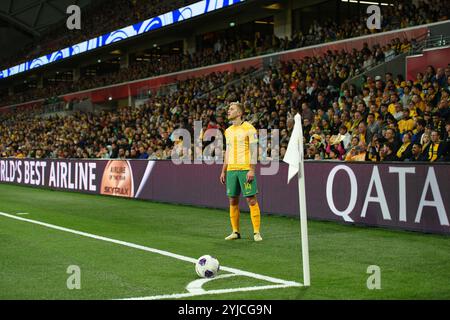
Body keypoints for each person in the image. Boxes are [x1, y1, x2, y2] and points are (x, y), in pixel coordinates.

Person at [220, 102, 262, 242]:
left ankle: (256, 232)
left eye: (231, 109)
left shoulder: (249, 128)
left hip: (245, 169)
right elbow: (227, 152)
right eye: (228, 109)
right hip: (231, 170)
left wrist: (252, 169)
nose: (228, 111)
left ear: (239, 113)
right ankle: (235, 231)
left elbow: (254, 151)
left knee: (251, 199)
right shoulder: (228, 131)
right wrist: (223, 170)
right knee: (232, 200)